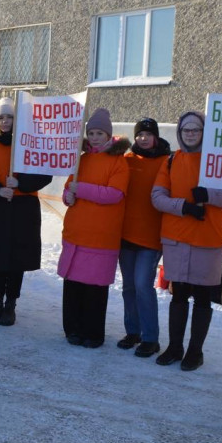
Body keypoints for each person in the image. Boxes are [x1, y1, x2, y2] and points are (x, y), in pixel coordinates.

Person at [151, 111, 222, 370]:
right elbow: (157, 198)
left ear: (205, 132)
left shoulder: (219, 161)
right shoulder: (171, 160)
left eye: (196, 129)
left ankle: (195, 351)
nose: (190, 134)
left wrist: (209, 195)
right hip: (177, 237)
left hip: (207, 239)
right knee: (178, 294)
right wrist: (184, 207)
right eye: (186, 130)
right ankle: (175, 347)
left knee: (203, 297)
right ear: (179, 133)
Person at [0, 97, 52, 326]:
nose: (5, 121)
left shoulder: (30, 144)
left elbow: (45, 175)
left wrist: (20, 184)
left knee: (17, 259)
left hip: (23, 209)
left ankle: (10, 305)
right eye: (1, 117)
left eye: (10, 117)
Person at [58, 108, 130, 347]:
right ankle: (72, 329)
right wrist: (68, 196)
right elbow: (69, 187)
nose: (95, 137)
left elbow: (114, 194)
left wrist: (81, 190)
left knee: (94, 289)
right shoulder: (81, 159)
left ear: (109, 135)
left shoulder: (118, 162)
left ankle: (93, 333)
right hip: (76, 233)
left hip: (101, 236)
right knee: (74, 286)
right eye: (91, 133)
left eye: (100, 133)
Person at [117, 118, 171, 357]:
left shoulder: (167, 162)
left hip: (151, 237)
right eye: (140, 134)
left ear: (156, 137)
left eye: (148, 134)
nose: (144, 138)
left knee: (142, 285)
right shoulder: (127, 160)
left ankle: (150, 338)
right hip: (125, 234)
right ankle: (133, 332)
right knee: (129, 286)